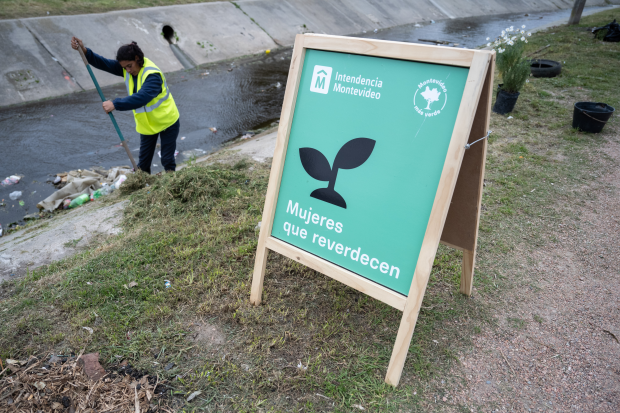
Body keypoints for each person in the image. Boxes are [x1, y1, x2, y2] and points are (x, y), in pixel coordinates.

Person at [71, 37, 180, 174]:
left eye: (129, 66)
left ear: (137, 58)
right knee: (143, 165)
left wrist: (115, 104)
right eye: (124, 67)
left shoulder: (152, 75)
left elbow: (142, 98)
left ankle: (172, 185)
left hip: (167, 121)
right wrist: (85, 51)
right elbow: (104, 63)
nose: (127, 70)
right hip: (147, 125)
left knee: (167, 159)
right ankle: (145, 188)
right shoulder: (126, 68)